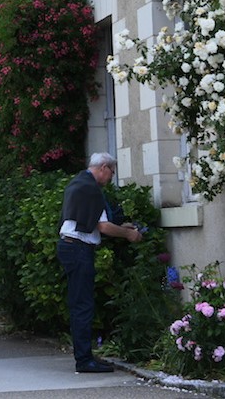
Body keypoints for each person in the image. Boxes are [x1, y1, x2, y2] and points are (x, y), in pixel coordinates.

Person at [57, 153, 142, 373]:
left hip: (71, 247)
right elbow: (102, 227)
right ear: (104, 168)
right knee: (83, 305)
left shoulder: (78, 183)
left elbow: (91, 221)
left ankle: (85, 356)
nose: (111, 178)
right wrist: (128, 234)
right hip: (79, 249)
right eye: (112, 173)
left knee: (80, 304)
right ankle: (84, 360)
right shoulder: (90, 188)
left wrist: (122, 226)